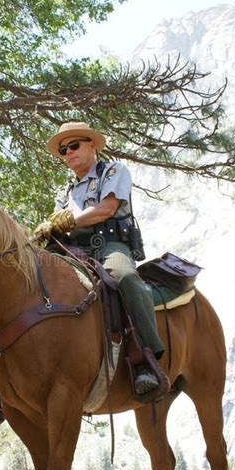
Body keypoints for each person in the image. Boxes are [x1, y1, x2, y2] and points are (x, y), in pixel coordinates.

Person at [35, 121, 165, 395]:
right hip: (71, 249)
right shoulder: (66, 192)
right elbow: (56, 221)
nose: (68, 152)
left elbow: (106, 208)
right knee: (31, 276)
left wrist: (67, 219)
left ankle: (145, 359)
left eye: (73, 145)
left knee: (125, 277)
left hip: (108, 245)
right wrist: (44, 228)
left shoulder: (114, 170)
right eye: (63, 150)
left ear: (92, 144)